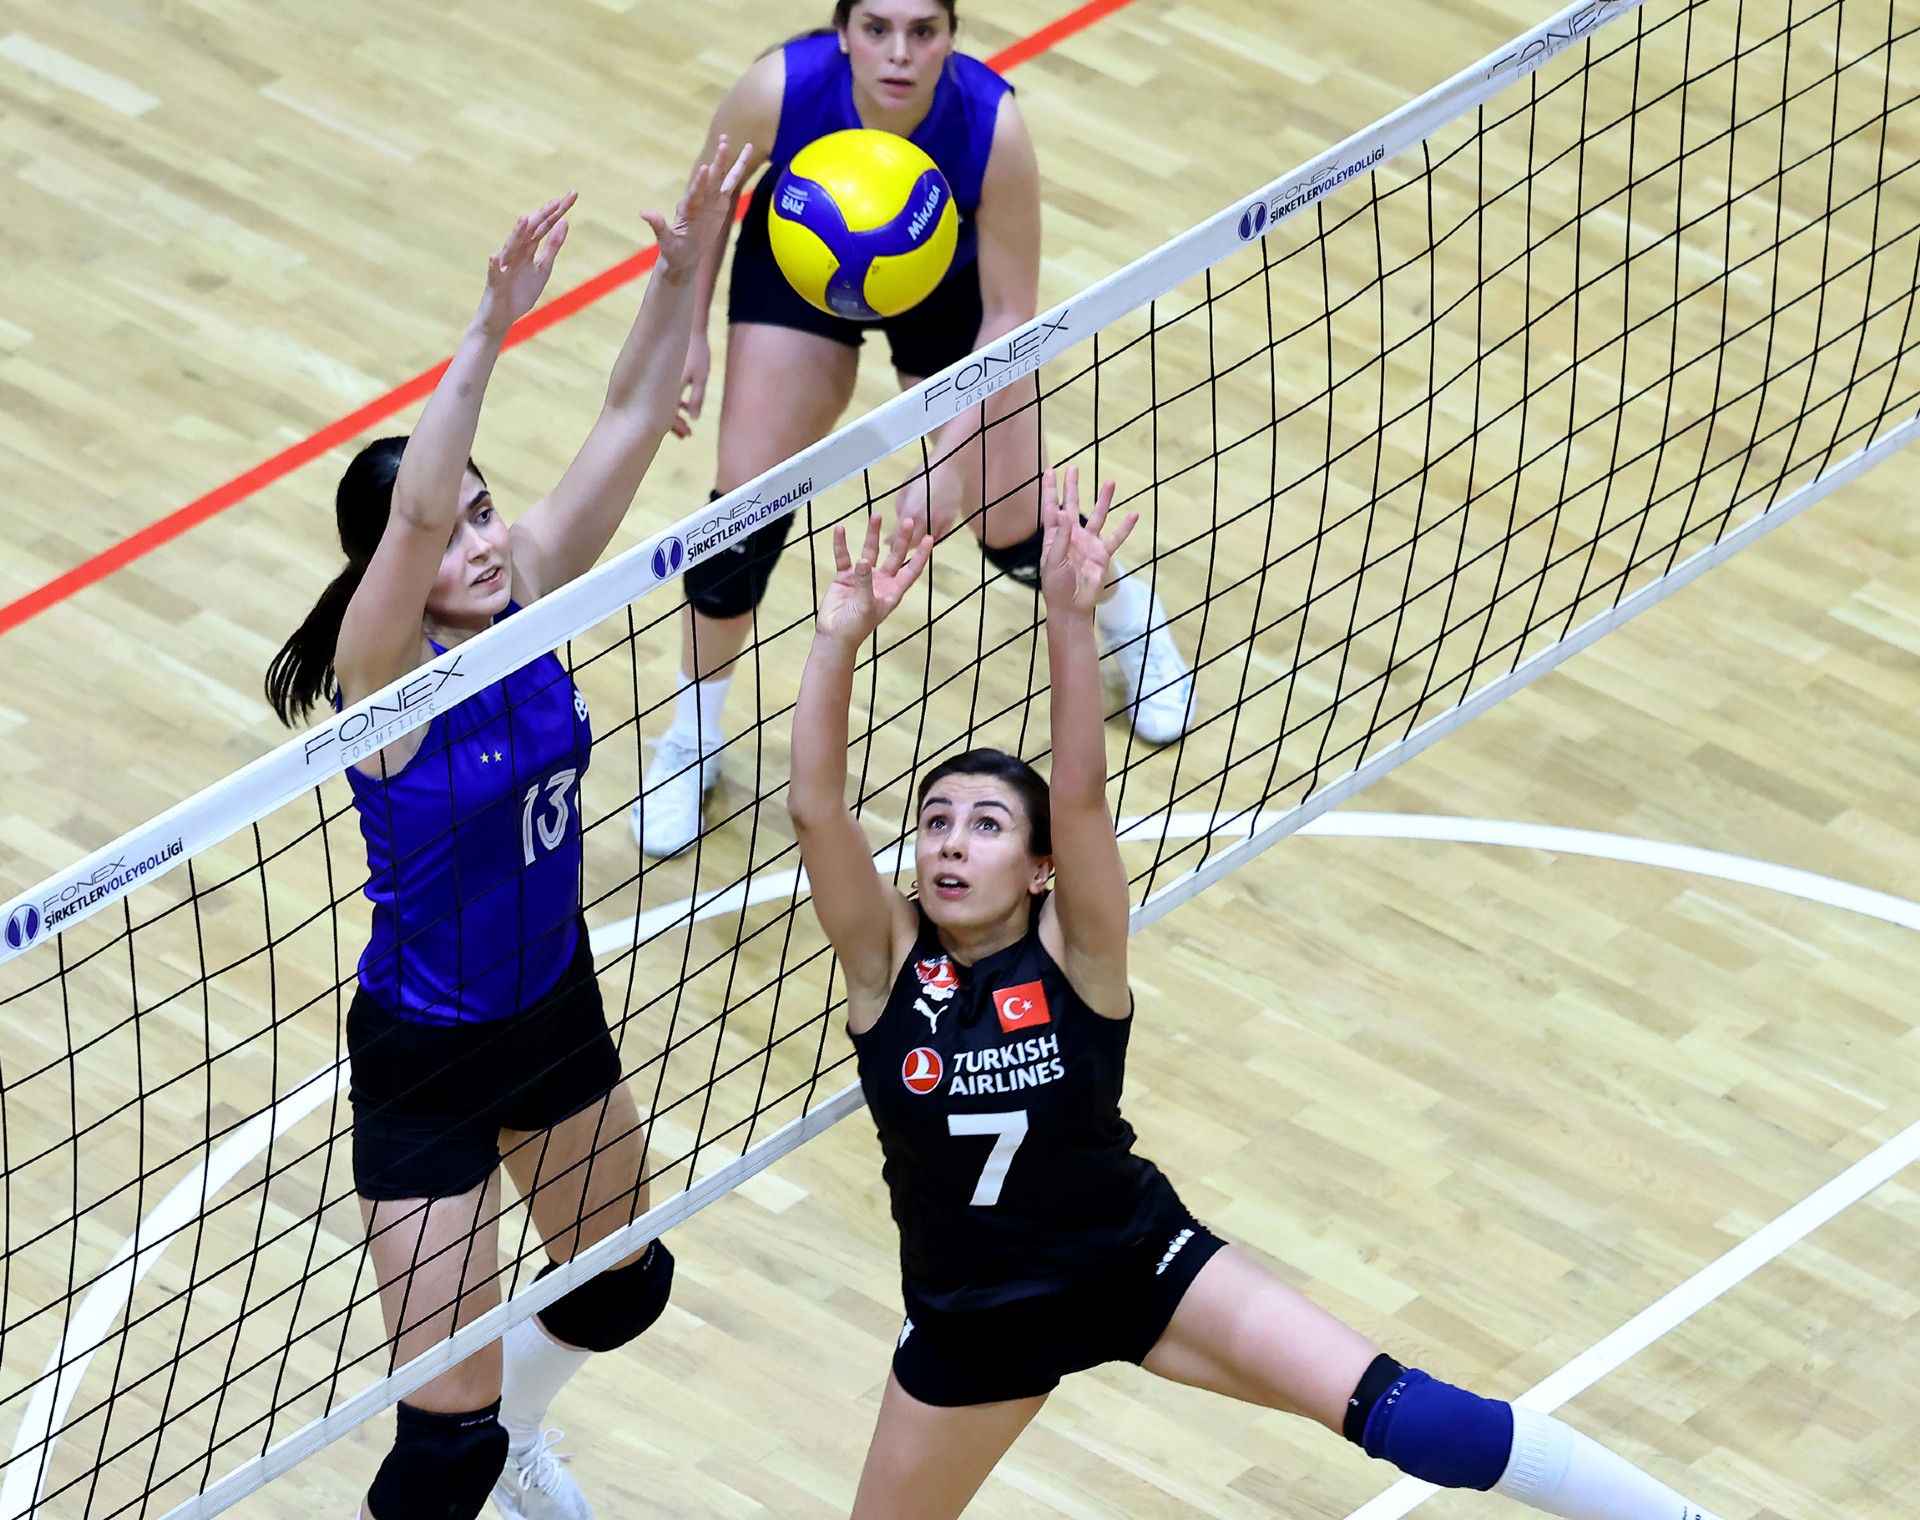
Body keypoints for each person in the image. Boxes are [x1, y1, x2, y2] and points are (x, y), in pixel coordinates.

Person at [786, 471, 1729, 1520]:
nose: (953, 842)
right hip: (974, 1319)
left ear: (1042, 865)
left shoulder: (1079, 952)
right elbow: (817, 808)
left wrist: (1070, 617)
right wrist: (838, 637)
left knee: (1416, 1420)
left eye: (987, 824)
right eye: (936, 823)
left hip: (1130, 1260)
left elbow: (1084, 796)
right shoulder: (884, 962)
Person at [264, 140, 749, 1520]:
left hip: (551, 1009)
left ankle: (527, 1430)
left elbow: (633, 410)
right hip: (426, 1058)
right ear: (392, 572)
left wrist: (682, 271)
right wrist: (489, 323)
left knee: (623, 1279)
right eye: (455, 528)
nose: (479, 537)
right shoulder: (383, 683)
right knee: (444, 1451)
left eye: (487, 508)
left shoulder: (527, 593)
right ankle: (492, 1443)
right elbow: (414, 505)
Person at [634, 0, 1196, 858]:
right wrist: (686, 333)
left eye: (923, 31)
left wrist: (947, 455)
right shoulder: (778, 89)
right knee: (739, 519)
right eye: (877, 29)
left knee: (1013, 528)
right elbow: (707, 207)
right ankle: (691, 737)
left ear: (951, 35)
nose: (899, 53)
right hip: (802, 263)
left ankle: (1130, 614)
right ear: (843, 31)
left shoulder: (990, 126)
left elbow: (1009, 314)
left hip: (948, 284)